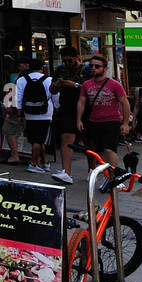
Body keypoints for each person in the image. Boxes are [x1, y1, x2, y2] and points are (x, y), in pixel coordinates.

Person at [77, 54, 131, 169]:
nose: (93, 68)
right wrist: (79, 120)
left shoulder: (115, 84)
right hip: (94, 121)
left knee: (109, 149)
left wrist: (126, 123)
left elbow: (125, 103)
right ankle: (107, 175)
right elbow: (81, 102)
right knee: (99, 151)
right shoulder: (86, 84)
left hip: (111, 120)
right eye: (91, 66)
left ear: (104, 68)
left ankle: (114, 177)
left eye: (97, 66)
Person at [50, 46, 91, 184]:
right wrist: (56, 85)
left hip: (85, 107)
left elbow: (90, 89)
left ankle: (92, 169)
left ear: (77, 57)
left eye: (70, 60)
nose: (67, 63)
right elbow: (53, 90)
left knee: (88, 139)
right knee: (66, 137)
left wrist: (72, 84)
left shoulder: (87, 70)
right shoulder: (60, 70)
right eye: (65, 61)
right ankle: (66, 172)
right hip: (66, 107)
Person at [16, 58, 60, 179]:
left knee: (35, 139)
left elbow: (18, 99)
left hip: (29, 113)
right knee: (40, 140)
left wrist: (20, 114)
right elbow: (55, 96)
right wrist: (57, 108)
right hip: (45, 113)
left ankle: (44, 162)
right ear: (42, 68)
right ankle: (34, 163)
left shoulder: (21, 80)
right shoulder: (49, 80)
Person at [0, 54, 31, 164]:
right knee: (35, 136)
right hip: (36, 110)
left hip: (19, 110)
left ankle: (14, 156)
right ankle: (39, 159)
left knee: (8, 130)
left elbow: (14, 92)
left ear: (26, 65)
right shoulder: (41, 76)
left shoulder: (22, 77)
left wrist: (10, 106)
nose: (18, 68)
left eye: (20, 65)